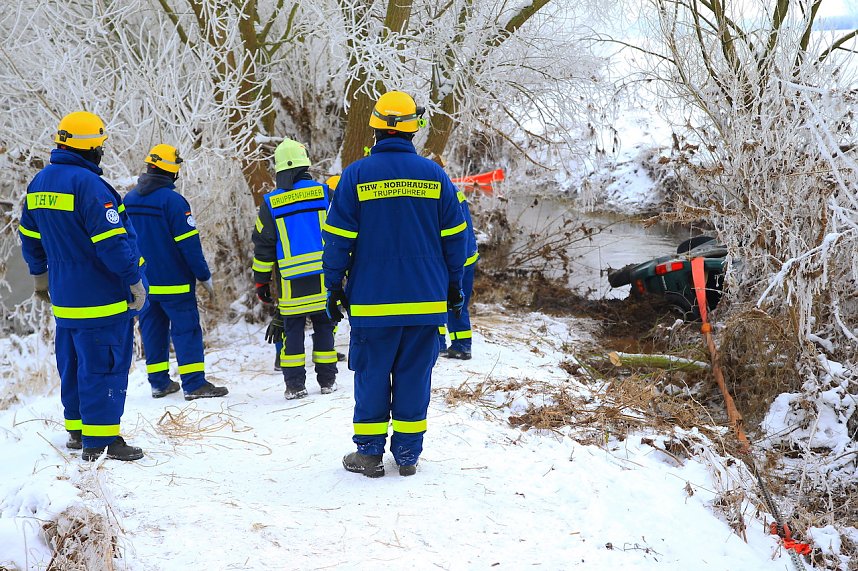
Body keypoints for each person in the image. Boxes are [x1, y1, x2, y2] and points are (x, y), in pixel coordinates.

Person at [322, 90, 467, 477]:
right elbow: (457, 238)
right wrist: (454, 285)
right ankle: (407, 456)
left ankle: (369, 455)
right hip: (425, 301)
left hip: (371, 303)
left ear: (375, 129)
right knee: (414, 375)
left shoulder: (355, 176)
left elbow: (337, 241)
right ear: (413, 131)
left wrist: (333, 286)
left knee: (371, 374)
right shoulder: (435, 176)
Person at [18, 110, 147, 462]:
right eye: (100, 145)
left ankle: (77, 430)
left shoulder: (40, 183)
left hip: (65, 297)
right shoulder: (90, 186)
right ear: (92, 147)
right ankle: (102, 441)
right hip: (100, 296)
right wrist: (134, 279)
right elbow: (112, 243)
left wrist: (40, 276)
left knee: (72, 363)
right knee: (103, 364)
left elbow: (29, 237)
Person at [123, 144, 228, 401]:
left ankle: (159, 383)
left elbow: (123, 242)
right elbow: (189, 245)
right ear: (173, 172)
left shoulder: (129, 200)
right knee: (186, 331)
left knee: (152, 331)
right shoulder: (174, 202)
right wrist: (203, 275)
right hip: (175, 284)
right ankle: (194, 384)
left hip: (144, 284)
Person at [252, 138, 338, 399]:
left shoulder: (272, 203)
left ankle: (295, 386)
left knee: (292, 332)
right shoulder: (325, 193)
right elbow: (342, 232)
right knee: (325, 328)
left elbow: (263, 245)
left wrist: (261, 282)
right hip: (324, 279)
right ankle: (327, 381)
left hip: (291, 283)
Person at [439, 189, 479, 359]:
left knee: (439, 300)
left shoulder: (442, 194)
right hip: (467, 255)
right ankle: (461, 344)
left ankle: (442, 343)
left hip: (455, 257)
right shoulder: (454, 192)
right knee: (457, 302)